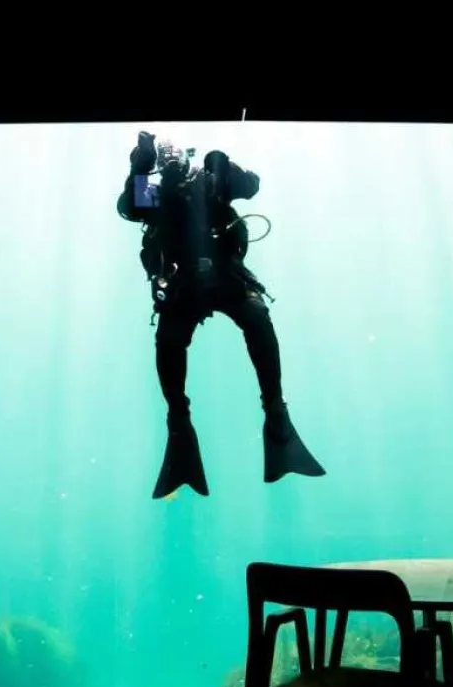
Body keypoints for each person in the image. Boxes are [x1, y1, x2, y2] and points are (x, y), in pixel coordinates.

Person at [117, 130, 325, 499]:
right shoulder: (156, 195)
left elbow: (251, 187)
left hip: (224, 277)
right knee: (169, 342)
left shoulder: (210, 183)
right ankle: (179, 420)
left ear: (189, 157)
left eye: (173, 154)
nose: (170, 161)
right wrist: (140, 164)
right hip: (183, 286)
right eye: (163, 158)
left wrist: (223, 163)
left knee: (257, 318)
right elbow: (128, 208)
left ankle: (275, 409)